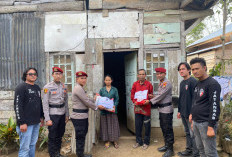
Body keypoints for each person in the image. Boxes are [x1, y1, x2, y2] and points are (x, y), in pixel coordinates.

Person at [189, 58, 221, 157]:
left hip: (206, 123)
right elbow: (196, 101)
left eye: (197, 69)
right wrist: (192, 115)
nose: (194, 71)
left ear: (204, 68)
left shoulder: (212, 84)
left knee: (210, 152)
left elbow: (215, 105)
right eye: (193, 69)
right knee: (201, 150)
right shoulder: (198, 83)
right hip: (196, 122)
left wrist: (211, 126)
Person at [71, 71, 104, 157]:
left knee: (82, 135)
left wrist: (95, 99)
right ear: (77, 79)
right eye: (81, 78)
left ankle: (80, 153)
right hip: (79, 117)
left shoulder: (80, 88)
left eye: (85, 78)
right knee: (80, 136)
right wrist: (97, 107)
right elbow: (86, 101)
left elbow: (87, 99)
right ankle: (80, 155)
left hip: (82, 116)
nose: (84, 80)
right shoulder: (78, 88)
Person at [14, 67, 44, 157]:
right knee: (25, 148)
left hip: (36, 122)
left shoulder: (37, 88)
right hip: (26, 124)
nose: (33, 76)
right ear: (25, 75)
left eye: (35, 74)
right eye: (30, 74)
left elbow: (39, 103)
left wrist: (41, 117)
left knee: (32, 145)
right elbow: (17, 106)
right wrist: (22, 122)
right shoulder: (21, 87)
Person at [145, 67, 174, 157]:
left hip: (166, 110)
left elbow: (161, 96)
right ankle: (166, 145)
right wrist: (153, 96)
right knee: (163, 128)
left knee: (168, 129)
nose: (158, 75)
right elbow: (161, 96)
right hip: (162, 109)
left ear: (164, 74)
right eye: (157, 74)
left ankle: (170, 149)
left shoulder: (167, 83)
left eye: (160, 73)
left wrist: (150, 101)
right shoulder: (161, 83)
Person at [42, 67, 69, 157]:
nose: (58, 75)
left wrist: (67, 115)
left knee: (60, 134)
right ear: (52, 75)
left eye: (60, 74)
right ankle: (52, 154)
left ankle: (57, 153)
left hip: (62, 114)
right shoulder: (47, 87)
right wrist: (47, 119)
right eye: (56, 74)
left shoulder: (64, 86)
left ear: (62, 75)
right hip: (52, 114)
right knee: (53, 135)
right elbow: (45, 104)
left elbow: (66, 102)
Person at [177, 62, 199, 157]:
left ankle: (195, 153)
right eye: (180, 70)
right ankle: (189, 150)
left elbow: (196, 99)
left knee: (193, 134)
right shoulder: (182, 83)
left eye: (183, 69)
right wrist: (179, 110)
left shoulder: (193, 82)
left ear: (189, 70)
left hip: (191, 114)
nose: (181, 71)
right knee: (187, 132)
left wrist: (192, 113)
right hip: (183, 112)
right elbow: (181, 98)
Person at [131, 69, 153, 150]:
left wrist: (149, 100)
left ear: (145, 75)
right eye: (140, 74)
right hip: (137, 109)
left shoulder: (149, 84)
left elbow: (151, 95)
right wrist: (134, 101)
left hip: (146, 109)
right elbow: (132, 95)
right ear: (137, 75)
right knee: (138, 126)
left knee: (147, 126)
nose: (141, 76)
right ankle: (138, 141)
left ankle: (146, 142)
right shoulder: (135, 84)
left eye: (143, 74)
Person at [99, 75, 120, 149]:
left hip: (112, 111)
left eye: (109, 80)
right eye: (106, 80)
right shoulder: (102, 90)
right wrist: (101, 106)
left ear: (111, 81)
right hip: (104, 111)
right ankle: (107, 141)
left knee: (113, 125)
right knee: (105, 126)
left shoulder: (115, 89)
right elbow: (99, 100)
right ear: (104, 81)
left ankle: (114, 141)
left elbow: (117, 99)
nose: (107, 81)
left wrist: (114, 105)